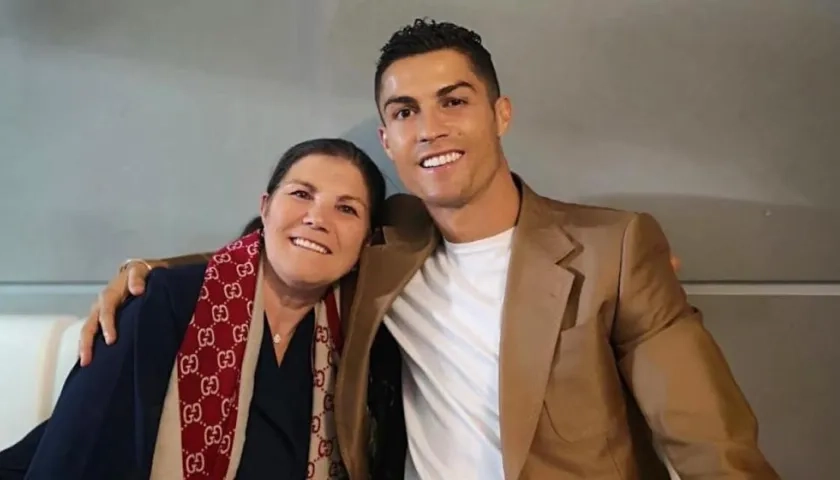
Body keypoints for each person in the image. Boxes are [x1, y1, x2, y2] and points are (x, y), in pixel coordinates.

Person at [78, 19, 778, 480]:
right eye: (405, 111)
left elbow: (710, 443)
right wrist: (149, 274)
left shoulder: (612, 249)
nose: (431, 129)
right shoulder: (383, 247)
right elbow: (288, 245)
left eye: (455, 101)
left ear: (500, 113)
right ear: (387, 139)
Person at [0, 138, 387, 479]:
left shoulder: (355, 342)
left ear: (366, 242)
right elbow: (79, 455)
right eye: (302, 194)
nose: (317, 219)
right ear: (266, 209)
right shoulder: (164, 300)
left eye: (347, 209)